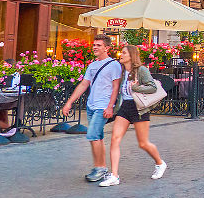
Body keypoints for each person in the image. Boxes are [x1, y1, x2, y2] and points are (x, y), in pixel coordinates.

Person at [100, 45, 166, 187]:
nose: (120, 55)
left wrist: (136, 87)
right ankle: (114, 176)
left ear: (131, 55)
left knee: (143, 143)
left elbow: (152, 87)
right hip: (125, 107)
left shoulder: (141, 70)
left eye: (124, 53)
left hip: (139, 108)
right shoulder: (122, 71)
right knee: (114, 139)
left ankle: (160, 163)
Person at [62, 35, 123, 183]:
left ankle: (100, 168)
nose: (95, 47)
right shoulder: (92, 65)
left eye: (99, 45)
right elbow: (84, 84)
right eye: (94, 45)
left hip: (103, 106)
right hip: (91, 105)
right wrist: (69, 102)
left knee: (92, 135)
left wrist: (110, 106)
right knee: (98, 137)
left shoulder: (113, 65)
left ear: (107, 48)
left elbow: (116, 87)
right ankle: (101, 167)